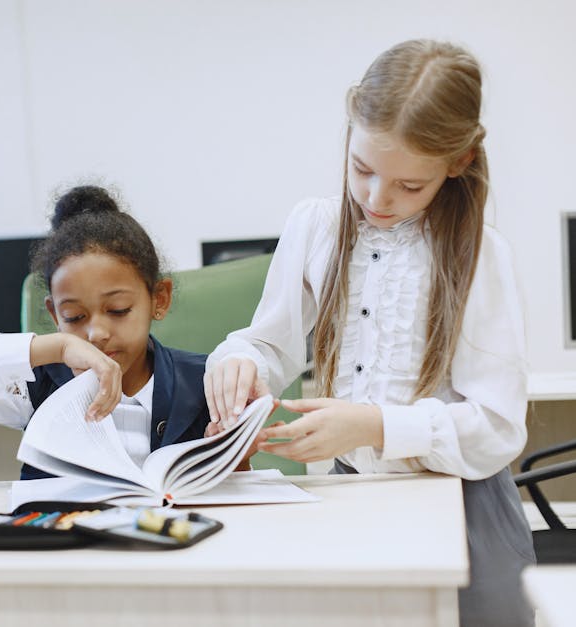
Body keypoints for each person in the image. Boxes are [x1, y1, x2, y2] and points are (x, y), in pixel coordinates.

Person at [204, 40, 535, 626]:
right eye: (362, 169)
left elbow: (498, 428)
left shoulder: (479, 254)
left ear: (456, 163)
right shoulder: (315, 227)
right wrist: (239, 364)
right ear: (350, 127)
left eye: (410, 185)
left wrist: (376, 425)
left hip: (464, 510)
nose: (378, 199)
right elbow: (268, 343)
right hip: (351, 499)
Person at [0, 185, 211, 479]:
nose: (96, 333)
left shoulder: (205, 381)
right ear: (55, 314)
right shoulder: (40, 382)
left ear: (159, 299)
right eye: (74, 316)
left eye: (118, 310)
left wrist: (236, 458)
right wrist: (55, 348)